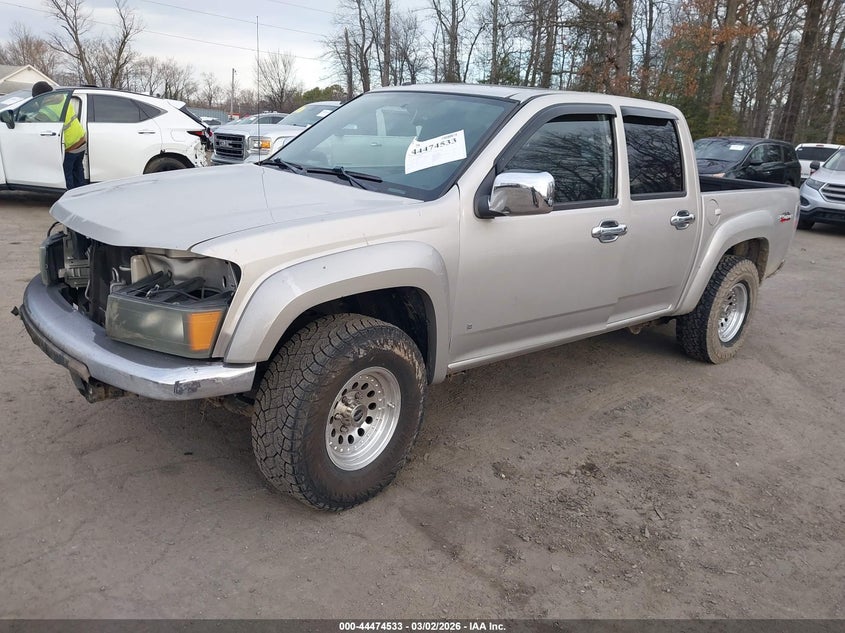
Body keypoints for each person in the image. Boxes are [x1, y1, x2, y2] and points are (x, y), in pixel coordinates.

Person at [31, 81, 87, 189]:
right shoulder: (62, 98)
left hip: (70, 146)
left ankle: (70, 196)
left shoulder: (46, 111)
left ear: (41, 97)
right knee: (78, 171)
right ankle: (82, 192)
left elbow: (33, 122)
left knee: (67, 175)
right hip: (80, 139)